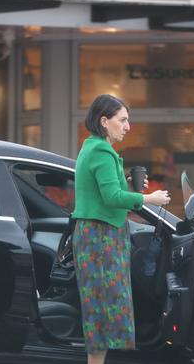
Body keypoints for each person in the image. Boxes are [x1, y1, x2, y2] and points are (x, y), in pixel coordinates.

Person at [71, 94, 170, 364]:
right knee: (101, 312)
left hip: (100, 236)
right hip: (100, 238)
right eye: (123, 120)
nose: (128, 126)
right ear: (104, 121)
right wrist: (150, 198)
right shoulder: (101, 151)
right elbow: (112, 199)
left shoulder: (93, 147)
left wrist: (125, 181)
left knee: (100, 309)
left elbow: (107, 193)